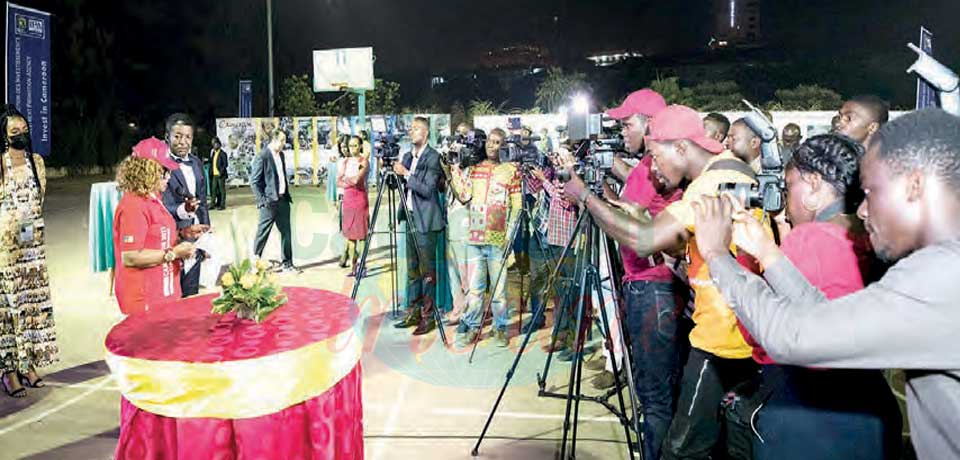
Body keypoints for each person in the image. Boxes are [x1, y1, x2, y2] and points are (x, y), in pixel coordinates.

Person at [691, 108, 960, 460]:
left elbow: (793, 337)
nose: (862, 211)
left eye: (871, 192)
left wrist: (717, 255)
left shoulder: (941, 276)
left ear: (915, 185)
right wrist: (767, 253)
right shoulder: (940, 265)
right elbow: (824, 315)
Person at [563, 105, 762, 459]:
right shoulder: (728, 168)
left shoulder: (708, 186)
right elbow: (684, 243)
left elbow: (643, 241)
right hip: (738, 327)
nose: (652, 167)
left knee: (680, 450)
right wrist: (645, 219)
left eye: (655, 156)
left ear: (682, 147)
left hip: (722, 338)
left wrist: (585, 197)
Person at [732, 134, 901, 459]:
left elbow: (759, 335)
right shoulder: (871, 234)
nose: (784, 200)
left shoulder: (812, 238)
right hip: (870, 409)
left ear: (812, 185)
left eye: (788, 186)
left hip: (810, 420)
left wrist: (743, 255)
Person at [0, 105, 57, 398]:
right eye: (14, 131)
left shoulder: (37, 162)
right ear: (4, 136)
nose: (21, 135)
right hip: (5, 251)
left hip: (32, 247)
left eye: (24, 130)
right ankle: (9, 371)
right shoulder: (0, 164)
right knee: (8, 311)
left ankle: (28, 364)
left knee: (31, 309)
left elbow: (39, 197)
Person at [449, 128, 522, 347]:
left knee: (498, 291)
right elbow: (464, 195)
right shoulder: (474, 169)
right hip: (475, 235)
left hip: (499, 237)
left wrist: (510, 235)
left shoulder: (511, 171)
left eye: (497, 142)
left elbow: (517, 206)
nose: (491, 145)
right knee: (475, 289)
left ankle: (500, 328)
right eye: (490, 141)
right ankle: (473, 326)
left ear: (503, 146)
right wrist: (454, 170)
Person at [392, 117, 445, 336]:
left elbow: (427, 189)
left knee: (427, 272)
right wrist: (393, 174)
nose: (411, 132)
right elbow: (402, 187)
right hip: (410, 216)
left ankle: (428, 316)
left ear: (425, 133)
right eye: (411, 128)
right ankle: (413, 312)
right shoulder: (406, 156)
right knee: (413, 270)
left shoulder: (433, 157)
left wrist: (406, 174)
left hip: (426, 220)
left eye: (415, 129)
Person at [161, 113, 210, 296]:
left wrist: (206, 236)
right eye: (177, 136)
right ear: (167, 137)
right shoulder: (159, 166)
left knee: (191, 294)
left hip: (195, 237)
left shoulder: (196, 163)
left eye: (187, 137)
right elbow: (160, 206)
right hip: (170, 239)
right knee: (171, 294)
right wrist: (184, 210)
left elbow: (202, 202)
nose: (183, 142)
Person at [251, 127, 297, 273]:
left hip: (283, 200)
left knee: (286, 233)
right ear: (274, 140)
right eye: (282, 140)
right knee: (262, 233)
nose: (284, 143)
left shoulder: (281, 155)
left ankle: (287, 263)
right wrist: (262, 200)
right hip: (269, 203)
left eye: (284, 140)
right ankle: (255, 263)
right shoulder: (263, 156)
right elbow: (254, 182)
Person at [338, 135, 370, 277]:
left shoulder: (364, 161)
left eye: (355, 145)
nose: (352, 149)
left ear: (360, 146)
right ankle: (353, 266)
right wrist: (347, 181)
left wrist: (346, 180)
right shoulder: (345, 162)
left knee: (361, 236)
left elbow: (357, 179)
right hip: (348, 200)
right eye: (350, 146)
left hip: (359, 200)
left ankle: (362, 266)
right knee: (350, 236)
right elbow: (338, 181)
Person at [209, 137, 229, 210]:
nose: (214, 146)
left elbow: (225, 164)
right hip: (214, 174)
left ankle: (222, 205)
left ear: (219, 144)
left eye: (216, 144)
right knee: (214, 190)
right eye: (213, 144)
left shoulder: (223, 153)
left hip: (220, 175)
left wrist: (221, 172)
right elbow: (212, 163)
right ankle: (212, 204)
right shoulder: (214, 153)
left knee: (222, 190)